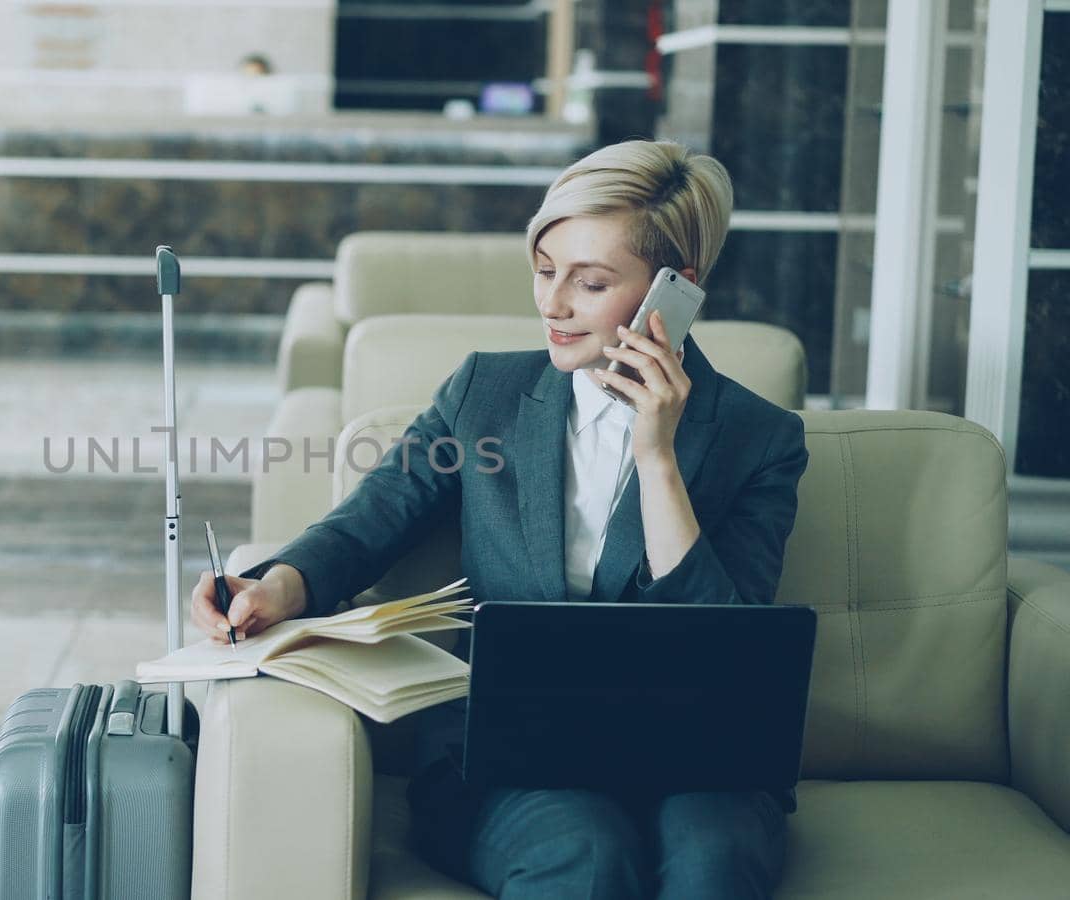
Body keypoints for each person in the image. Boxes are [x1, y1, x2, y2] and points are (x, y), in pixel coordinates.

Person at [190, 139, 808, 899]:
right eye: (546, 271)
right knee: (583, 855)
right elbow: (365, 524)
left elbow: (731, 652)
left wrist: (657, 459)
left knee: (712, 864)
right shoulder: (484, 393)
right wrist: (273, 587)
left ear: (674, 289)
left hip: (700, 760)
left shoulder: (760, 438)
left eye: (591, 282)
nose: (552, 304)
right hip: (510, 756)